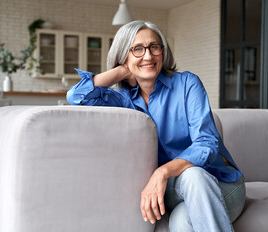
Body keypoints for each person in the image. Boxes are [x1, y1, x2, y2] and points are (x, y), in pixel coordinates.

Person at [67, 20, 246, 232]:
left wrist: (162, 172)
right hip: (171, 190)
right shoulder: (123, 100)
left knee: (185, 207)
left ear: (163, 51)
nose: (149, 56)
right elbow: (77, 96)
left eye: (154, 47)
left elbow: (207, 143)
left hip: (218, 183)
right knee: (183, 211)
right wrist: (123, 71)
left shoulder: (187, 84)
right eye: (137, 49)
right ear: (124, 54)